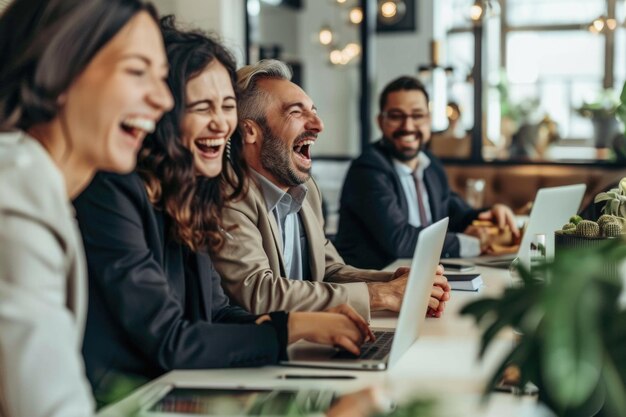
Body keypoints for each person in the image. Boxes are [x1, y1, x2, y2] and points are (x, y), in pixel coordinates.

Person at [73, 18, 373, 407]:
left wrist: (303, 328)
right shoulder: (112, 191)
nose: (221, 123)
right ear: (164, 112)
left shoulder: (194, 193)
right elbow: (170, 339)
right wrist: (291, 328)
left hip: (178, 393)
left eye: (227, 106)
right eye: (202, 107)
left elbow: (216, 313)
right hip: (124, 403)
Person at [0, 1, 173, 416]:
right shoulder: (18, 189)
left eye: (163, 78)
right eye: (136, 71)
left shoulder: (39, 184)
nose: (164, 99)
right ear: (58, 68)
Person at [212, 60, 450, 321]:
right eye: (296, 112)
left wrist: (395, 281)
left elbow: (328, 270)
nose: (318, 124)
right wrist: (381, 295)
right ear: (250, 131)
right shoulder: (227, 193)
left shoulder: (306, 190)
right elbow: (259, 293)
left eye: (314, 111)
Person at [335, 76, 519, 270]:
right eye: (397, 116)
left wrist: (489, 214)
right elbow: (401, 241)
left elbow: (457, 214)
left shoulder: (431, 166)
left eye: (417, 115)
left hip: (424, 275)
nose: (408, 126)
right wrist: (472, 243)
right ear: (381, 122)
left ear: (428, 120)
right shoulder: (367, 169)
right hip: (374, 285)